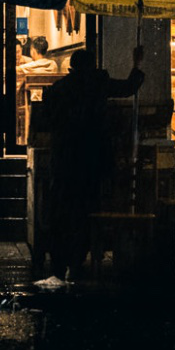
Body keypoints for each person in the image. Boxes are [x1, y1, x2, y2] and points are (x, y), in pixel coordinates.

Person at [38, 45, 144, 277]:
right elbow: (128, 87)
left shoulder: (58, 89)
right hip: (92, 158)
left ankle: (60, 256)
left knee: (63, 209)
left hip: (64, 158)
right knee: (88, 209)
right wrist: (136, 64)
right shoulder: (98, 84)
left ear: (72, 66)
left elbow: (47, 120)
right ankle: (80, 257)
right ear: (92, 65)